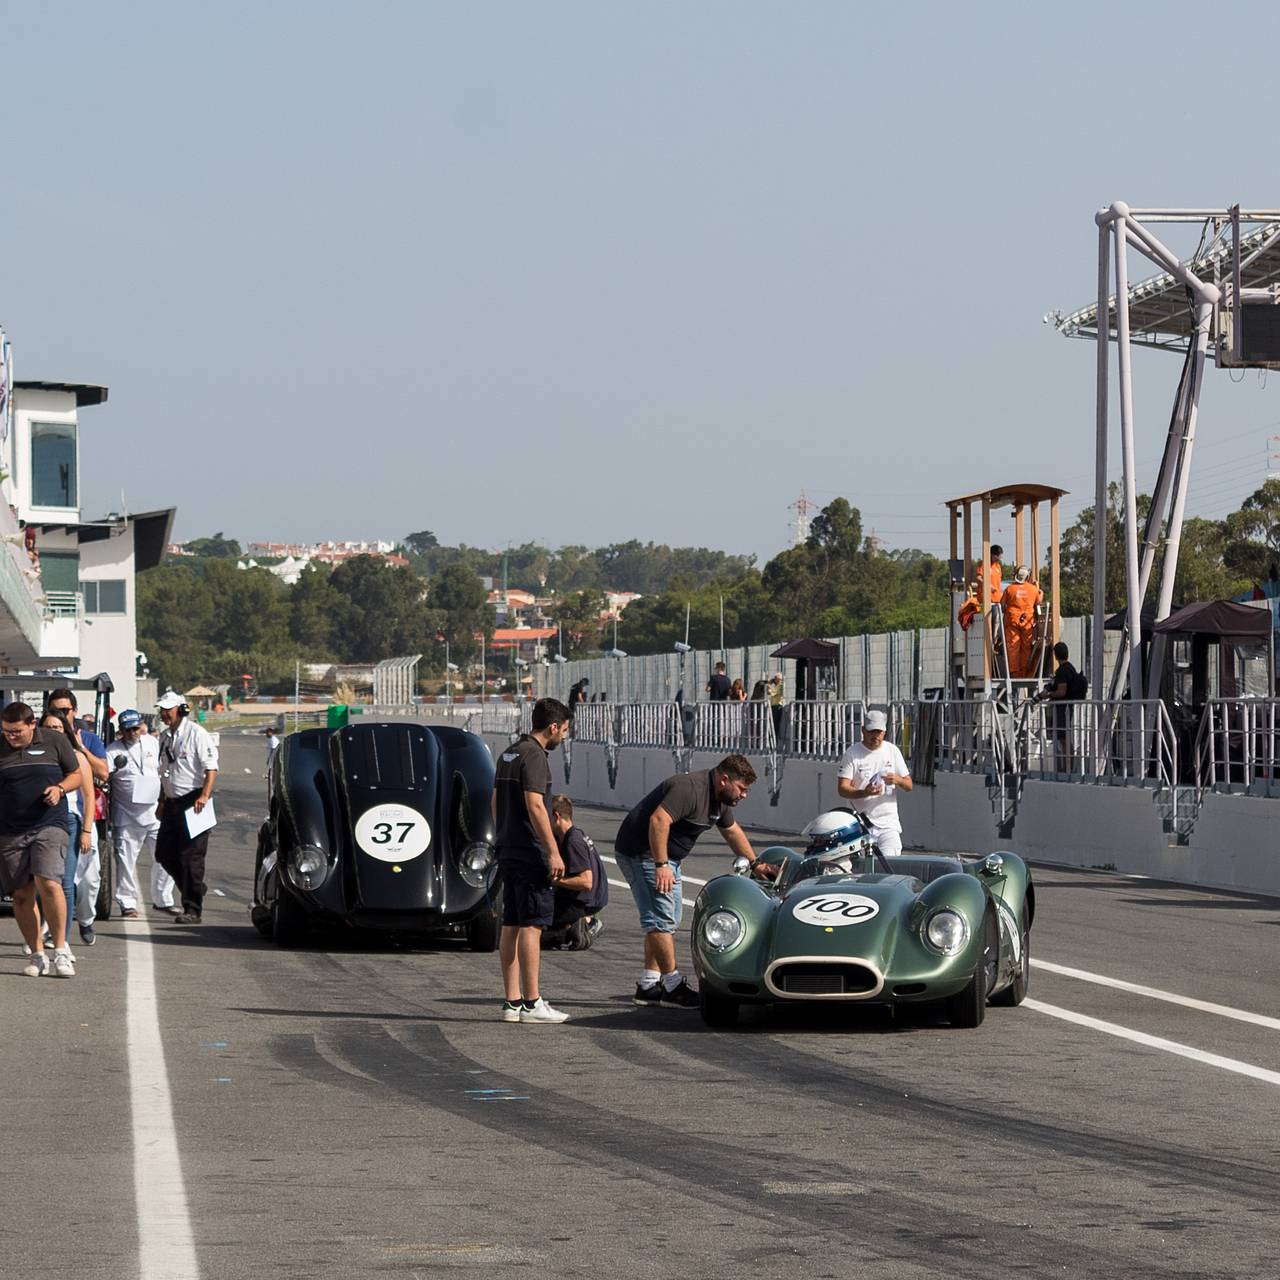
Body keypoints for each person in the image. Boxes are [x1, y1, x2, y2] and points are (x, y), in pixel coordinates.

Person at [614, 754, 772, 1008]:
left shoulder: (720, 800)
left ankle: (648, 984)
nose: (744, 795)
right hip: (642, 853)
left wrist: (755, 863)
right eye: (742, 788)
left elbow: (731, 831)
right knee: (660, 920)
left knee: (668, 919)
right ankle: (672, 986)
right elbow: (658, 820)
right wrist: (661, 864)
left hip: (667, 858)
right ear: (724, 779)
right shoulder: (689, 789)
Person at [493, 697, 573, 1024]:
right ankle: (532, 1002)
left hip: (508, 849)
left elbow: (494, 801)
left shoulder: (509, 753)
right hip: (530, 852)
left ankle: (512, 1002)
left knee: (511, 923)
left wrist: (501, 837)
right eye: (564, 730)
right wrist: (553, 849)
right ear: (553, 727)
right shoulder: (536, 757)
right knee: (532, 925)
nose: (565, 736)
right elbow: (536, 806)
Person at [0, 702, 83, 977]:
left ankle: (60, 950)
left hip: (49, 823)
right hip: (10, 830)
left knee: (48, 881)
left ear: (32, 725)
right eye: (6, 732)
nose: (11, 737)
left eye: (16, 732)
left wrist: (60, 789)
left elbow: (77, 776)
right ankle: (37, 954)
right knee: (22, 895)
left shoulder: (54, 741)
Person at [154, 691, 219, 924]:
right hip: (172, 802)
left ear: (181, 710)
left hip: (194, 800)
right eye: (161, 710)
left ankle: (192, 909)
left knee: (191, 858)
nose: (164, 714)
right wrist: (162, 801)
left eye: (168, 710)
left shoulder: (197, 734)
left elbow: (211, 768)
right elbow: (164, 772)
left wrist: (204, 795)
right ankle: (195, 888)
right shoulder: (164, 737)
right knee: (163, 853)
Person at [107, 709, 175, 917]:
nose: (132, 733)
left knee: (166, 856)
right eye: (128, 730)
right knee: (126, 861)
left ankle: (163, 899)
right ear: (121, 730)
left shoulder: (152, 743)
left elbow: (164, 767)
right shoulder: (112, 751)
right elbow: (105, 776)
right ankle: (127, 902)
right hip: (127, 814)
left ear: (141, 727)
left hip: (154, 812)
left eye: (136, 728)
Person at [38, 709, 96, 948]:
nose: (53, 732)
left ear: (66, 731)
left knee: (65, 881)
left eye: (58, 728)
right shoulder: (34, 754)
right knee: (41, 882)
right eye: (48, 728)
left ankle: (61, 937)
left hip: (69, 821)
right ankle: (42, 930)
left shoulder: (77, 756)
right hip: (38, 821)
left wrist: (86, 830)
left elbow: (89, 795)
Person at [835, 709, 913, 856]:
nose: (875, 736)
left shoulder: (892, 751)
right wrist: (864, 792)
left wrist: (898, 779)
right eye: (871, 732)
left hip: (888, 823)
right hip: (860, 823)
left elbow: (909, 785)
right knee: (862, 868)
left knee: (889, 863)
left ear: (884, 732)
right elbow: (842, 788)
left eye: (879, 732)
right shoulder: (852, 753)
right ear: (863, 731)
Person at [543, 794, 606, 950]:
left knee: (534, 931)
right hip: (584, 898)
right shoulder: (572, 835)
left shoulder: (573, 841)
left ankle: (581, 925)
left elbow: (586, 882)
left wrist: (555, 881)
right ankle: (574, 924)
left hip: (583, 902)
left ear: (556, 816)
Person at [1038, 642, 1086, 772]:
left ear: (1056, 655)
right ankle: (1069, 765)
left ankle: (1068, 766)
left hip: (1062, 709)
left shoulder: (1062, 671)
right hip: (1067, 708)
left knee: (1064, 738)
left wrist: (1048, 694)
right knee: (1065, 737)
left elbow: (1062, 691)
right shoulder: (1070, 668)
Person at [1000, 566, 1044, 679]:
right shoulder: (1033, 589)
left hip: (1012, 622)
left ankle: (1014, 673)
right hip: (1027, 623)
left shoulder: (1010, 589)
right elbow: (1038, 603)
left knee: (1013, 647)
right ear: (1027, 577)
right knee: (1026, 648)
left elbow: (1002, 604)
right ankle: (1024, 673)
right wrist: (1041, 593)